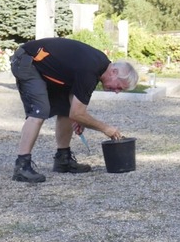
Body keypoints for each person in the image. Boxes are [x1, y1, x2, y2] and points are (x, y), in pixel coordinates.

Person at [10, 37, 139, 183]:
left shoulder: (99, 67)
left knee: (66, 110)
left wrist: (78, 116)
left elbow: (74, 103)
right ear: (114, 72)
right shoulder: (91, 69)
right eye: (119, 87)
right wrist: (106, 128)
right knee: (39, 111)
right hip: (28, 60)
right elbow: (77, 113)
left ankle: (63, 159)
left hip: (44, 67)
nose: (117, 91)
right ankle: (21, 166)